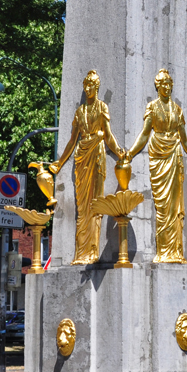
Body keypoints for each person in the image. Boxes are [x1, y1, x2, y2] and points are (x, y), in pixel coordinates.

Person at [127, 69, 187, 263]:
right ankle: (163, 251)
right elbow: (144, 135)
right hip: (158, 158)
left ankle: (174, 252)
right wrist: (130, 153)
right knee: (162, 205)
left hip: (174, 157)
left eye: (169, 84)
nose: (167, 87)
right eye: (163, 84)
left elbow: (185, 140)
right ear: (157, 86)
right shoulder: (152, 107)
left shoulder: (177, 110)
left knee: (174, 206)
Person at [50, 70, 125, 265]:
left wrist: (118, 152)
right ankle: (81, 253)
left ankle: (93, 251)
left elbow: (108, 136)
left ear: (97, 87)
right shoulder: (80, 111)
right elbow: (72, 141)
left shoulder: (101, 107)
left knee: (96, 202)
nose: (88, 88)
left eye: (91, 85)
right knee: (82, 206)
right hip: (81, 157)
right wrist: (59, 162)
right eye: (86, 85)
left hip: (97, 155)